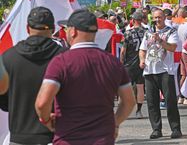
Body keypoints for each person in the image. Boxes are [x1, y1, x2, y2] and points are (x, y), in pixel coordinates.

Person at [35, 9, 135, 145]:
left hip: (67, 139)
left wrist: (46, 121)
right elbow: (129, 101)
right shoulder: (113, 62)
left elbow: (42, 103)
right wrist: (115, 123)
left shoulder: (61, 62)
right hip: (102, 139)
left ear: (73, 31)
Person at [0, 7, 65, 144]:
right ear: (53, 29)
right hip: (55, 136)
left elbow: (3, 101)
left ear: (27, 28)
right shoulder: (65, 58)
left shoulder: (8, 57)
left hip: (20, 136)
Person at [139, 9, 182, 139]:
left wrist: (160, 41)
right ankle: (156, 129)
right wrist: (142, 60)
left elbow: (173, 48)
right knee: (152, 102)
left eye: (159, 17)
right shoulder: (148, 33)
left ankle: (175, 129)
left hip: (165, 70)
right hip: (150, 71)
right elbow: (142, 49)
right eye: (155, 18)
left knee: (170, 101)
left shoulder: (171, 31)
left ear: (164, 17)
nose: (157, 20)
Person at [120, 11, 146, 119]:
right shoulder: (147, 32)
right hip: (142, 62)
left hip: (129, 63)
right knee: (140, 87)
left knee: (125, 86)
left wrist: (121, 62)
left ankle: (123, 110)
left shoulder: (128, 33)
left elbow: (123, 51)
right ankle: (139, 111)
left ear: (133, 20)